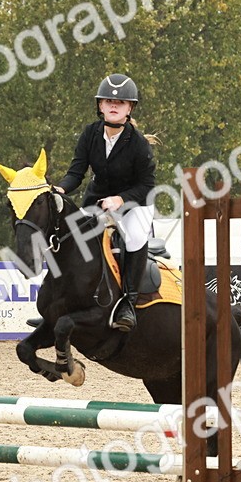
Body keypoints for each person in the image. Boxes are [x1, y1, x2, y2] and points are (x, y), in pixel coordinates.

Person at [54, 73, 157, 332]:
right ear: (100, 106)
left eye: (120, 102)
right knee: (71, 234)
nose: (114, 105)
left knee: (133, 237)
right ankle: (59, 300)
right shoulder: (90, 133)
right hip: (98, 198)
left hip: (135, 201)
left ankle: (128, 304)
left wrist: (121, 199)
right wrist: (60, 188)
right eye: (108, 100)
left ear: (129, 108)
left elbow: (147, 185)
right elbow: (76, 173)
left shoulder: (139, 144)